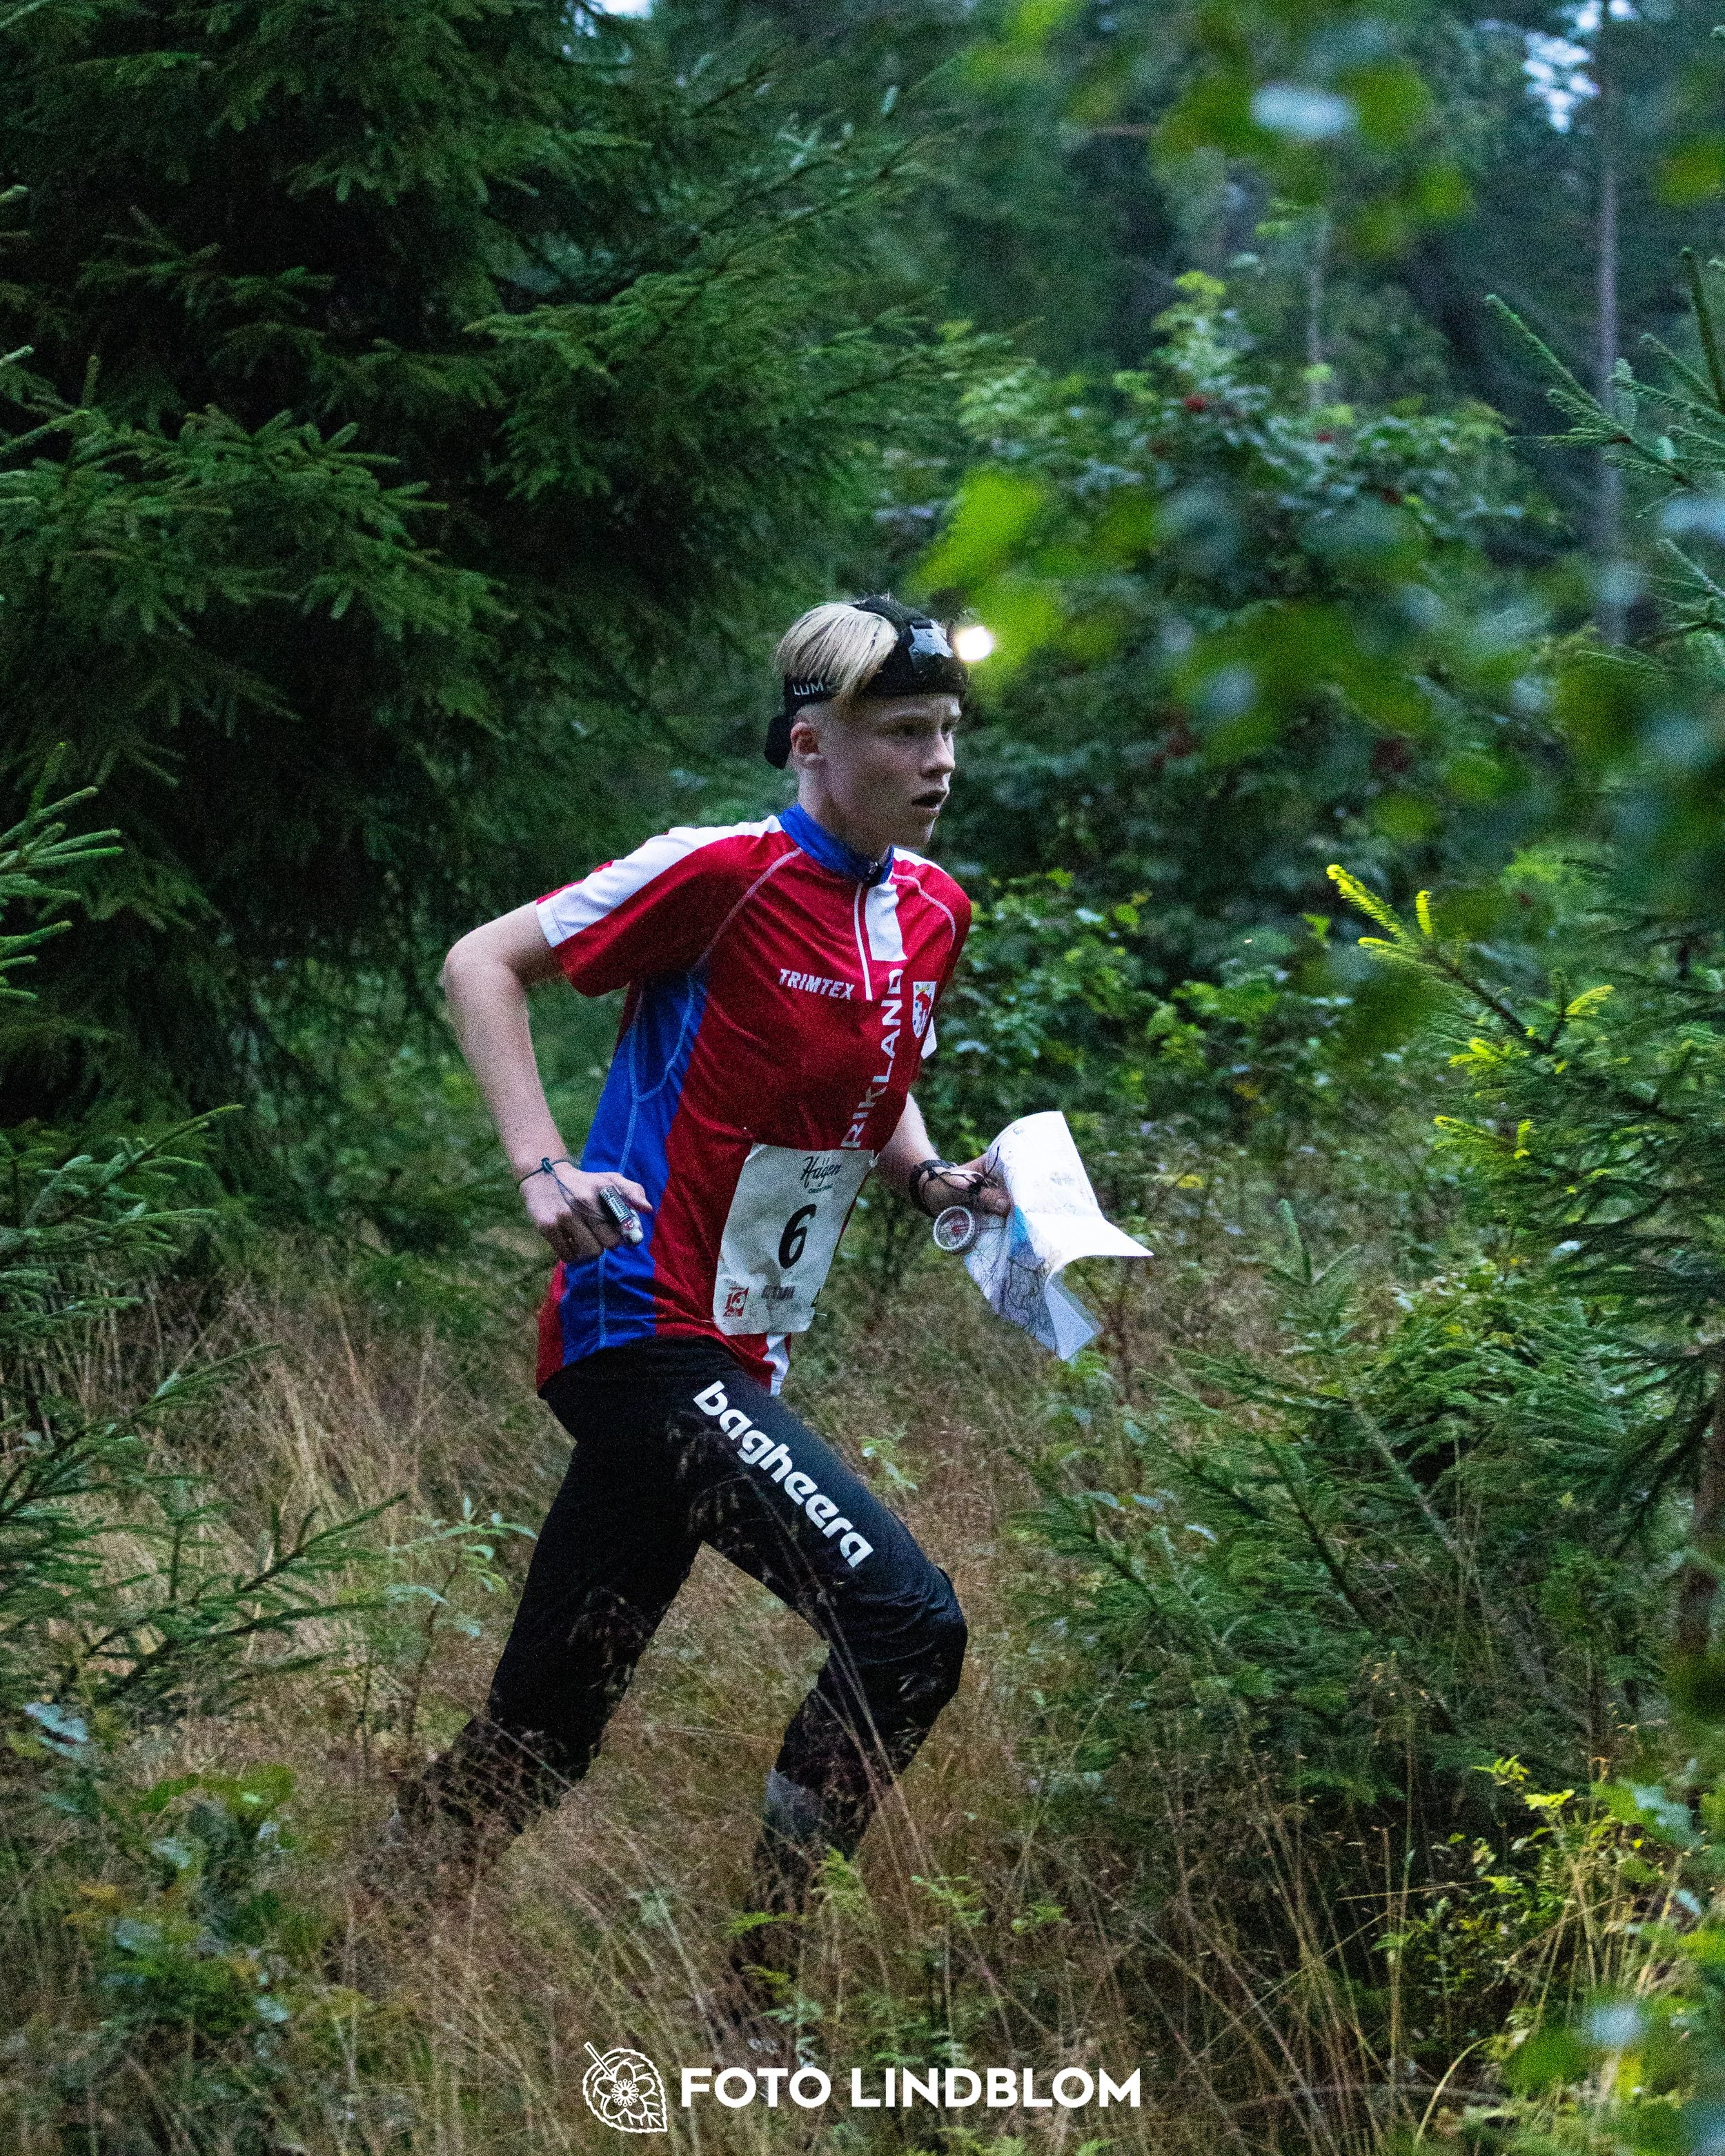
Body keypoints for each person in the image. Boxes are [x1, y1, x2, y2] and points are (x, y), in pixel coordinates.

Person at [382, 593, 1008, 2019]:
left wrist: (931, 1177)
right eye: (903, 733)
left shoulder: (928, 909)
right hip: (638, 1329)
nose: (936, 761)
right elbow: (483, 959)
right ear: (811, 743)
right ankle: (756, 2003)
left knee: (542, 1728)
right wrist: (541, 1161)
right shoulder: (716, 872)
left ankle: (332, 1956)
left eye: (946, 732)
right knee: (907, 1624)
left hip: (740, 1352)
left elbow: (872, 1054)